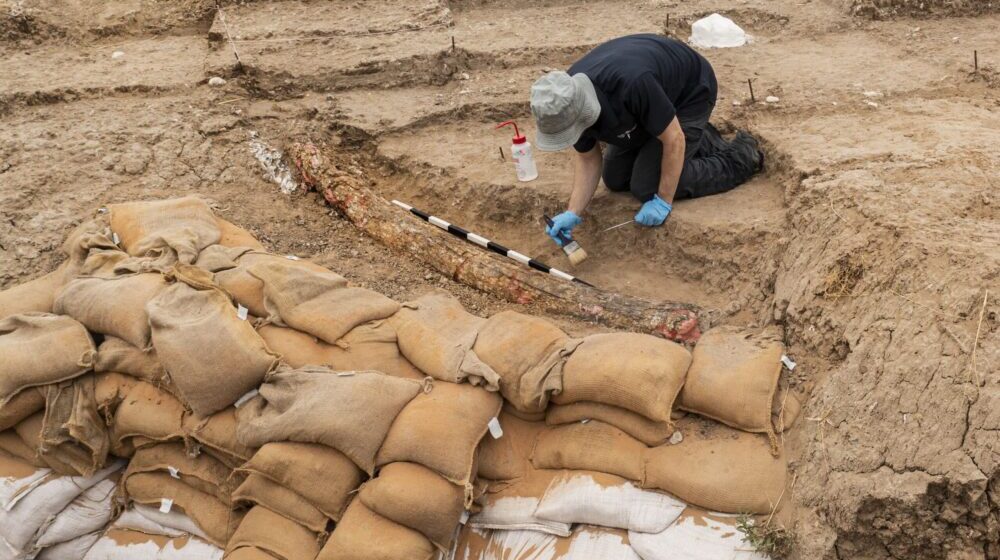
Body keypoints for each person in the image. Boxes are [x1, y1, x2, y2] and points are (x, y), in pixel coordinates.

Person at [530, 33, 763, 245]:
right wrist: (573, 212)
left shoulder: (629, 84)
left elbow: (673, 139)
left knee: (646, 186)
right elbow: (588, 159)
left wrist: (663, 201)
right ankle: (689, 134)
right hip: (647, 103)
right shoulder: (564, 103)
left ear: (584, 111)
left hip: (689, 93)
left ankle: (740, 157)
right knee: (615, 179)